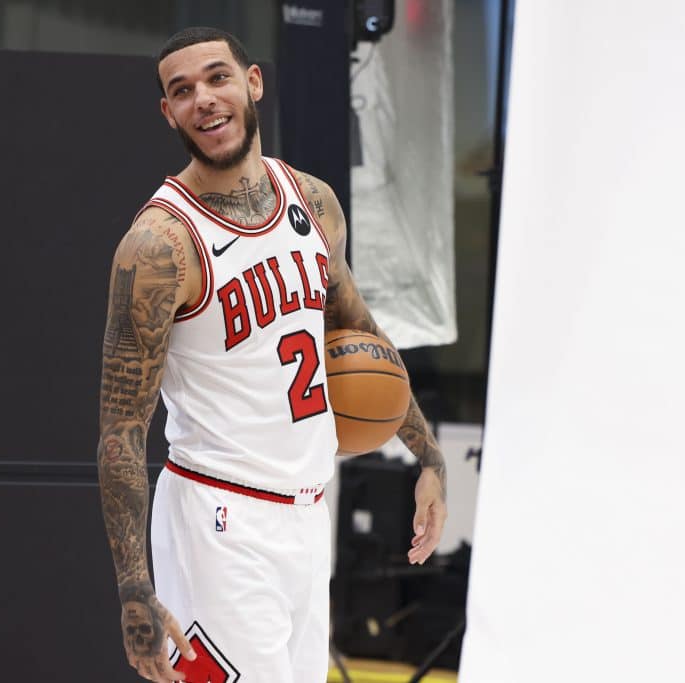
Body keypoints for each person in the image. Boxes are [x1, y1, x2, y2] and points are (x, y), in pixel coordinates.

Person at [97, 27, 447, 683]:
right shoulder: (158, 245)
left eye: (216, 77)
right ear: (168, 113)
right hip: (217, 521)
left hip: (307, 512)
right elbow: (119, 430)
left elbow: (358, 328)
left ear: (252, 82)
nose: (203, 98)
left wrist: (426, 453)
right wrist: (133, 587)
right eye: (182, 90)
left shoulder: (312, 203)